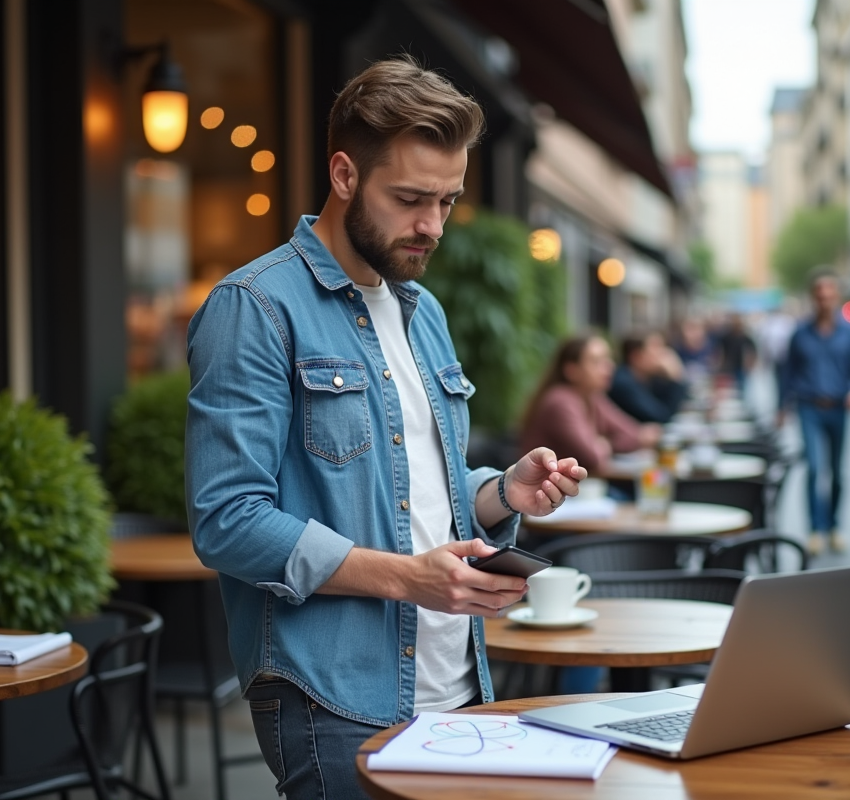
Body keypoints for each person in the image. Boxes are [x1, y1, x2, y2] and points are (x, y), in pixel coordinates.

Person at [184, 58, 590, 799]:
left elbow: (417, 491)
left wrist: (502, 493)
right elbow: (227, 520)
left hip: (460, 679)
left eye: (447, 200)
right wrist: (408, 579)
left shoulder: (422, 311)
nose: (431, 226)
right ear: (344, 174)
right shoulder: (256, 307)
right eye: (409, 199)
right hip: (334, 695)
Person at [778, 273, 850, 556]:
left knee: (838, 473)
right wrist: (781, 407)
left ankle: (834, 526)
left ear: (837, 297)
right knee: (814, 468)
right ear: (813, 298)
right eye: (820, 295)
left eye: (829, 295)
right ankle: (815, 529)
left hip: (840, 408)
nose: (825, 300)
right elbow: (787, 372)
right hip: (809, 407)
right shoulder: (800, 333)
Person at [521, 334, 661, 476]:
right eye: (596, 361)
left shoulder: (593, 397)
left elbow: (635, 434)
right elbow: (592, 457)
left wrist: (605, 443)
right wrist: (604, 444)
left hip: (578, 485)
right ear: (571, 370)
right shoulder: (561, 401)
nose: (609, 367)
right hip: (545, 487)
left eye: (608, 359)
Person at [609, 331, 687, 424]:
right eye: (656, 349)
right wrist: (675, 377)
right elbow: (660, 417)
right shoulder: (623, 384)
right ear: (636, 357)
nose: (663, 355)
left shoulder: (648, 377)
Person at [715, 313, 758, 395]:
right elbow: (720, 351)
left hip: (741, 367)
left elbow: (753, 351)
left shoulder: (745, 337)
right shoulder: (726, 337)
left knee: (741, 389)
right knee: (729, 390)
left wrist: (750, 364)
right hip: (728, 367)